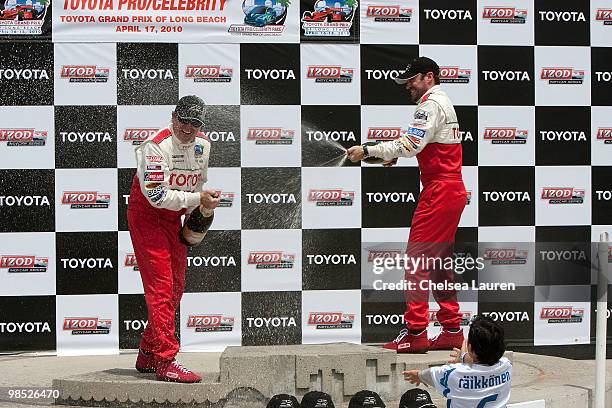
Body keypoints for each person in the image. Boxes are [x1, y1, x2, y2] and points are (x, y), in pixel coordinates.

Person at [347, 56, 467, 353]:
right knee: (439, 263)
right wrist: (391, 154)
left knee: (416, 263)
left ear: (429, 77)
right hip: (450, 190)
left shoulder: (429, 104)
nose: (407, 87)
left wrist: (368, 150)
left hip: (439, 191)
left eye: (411, 80)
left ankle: (416, 333)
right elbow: (424, 146)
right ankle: (452, 329)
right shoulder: (442, 102)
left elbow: (411, 145)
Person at [128, 95, 220, 383]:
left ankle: (147, 351)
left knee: (176, 288)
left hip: (173, 218)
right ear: (173, 116)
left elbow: (199, 183)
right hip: (147, 216)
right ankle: (165, 361)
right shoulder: (155, 146)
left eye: (195, 123)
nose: (188, 128)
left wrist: (202, 210)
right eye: (184, 120)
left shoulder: (203, 145)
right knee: (161, 288)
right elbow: (156, 196)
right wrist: (197, 198)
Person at [403, 316, 512, 408]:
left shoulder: (452, 373)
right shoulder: (506, 366)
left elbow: (429, 374)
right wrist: (464, 357)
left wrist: (418, 375)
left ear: (470, 347)